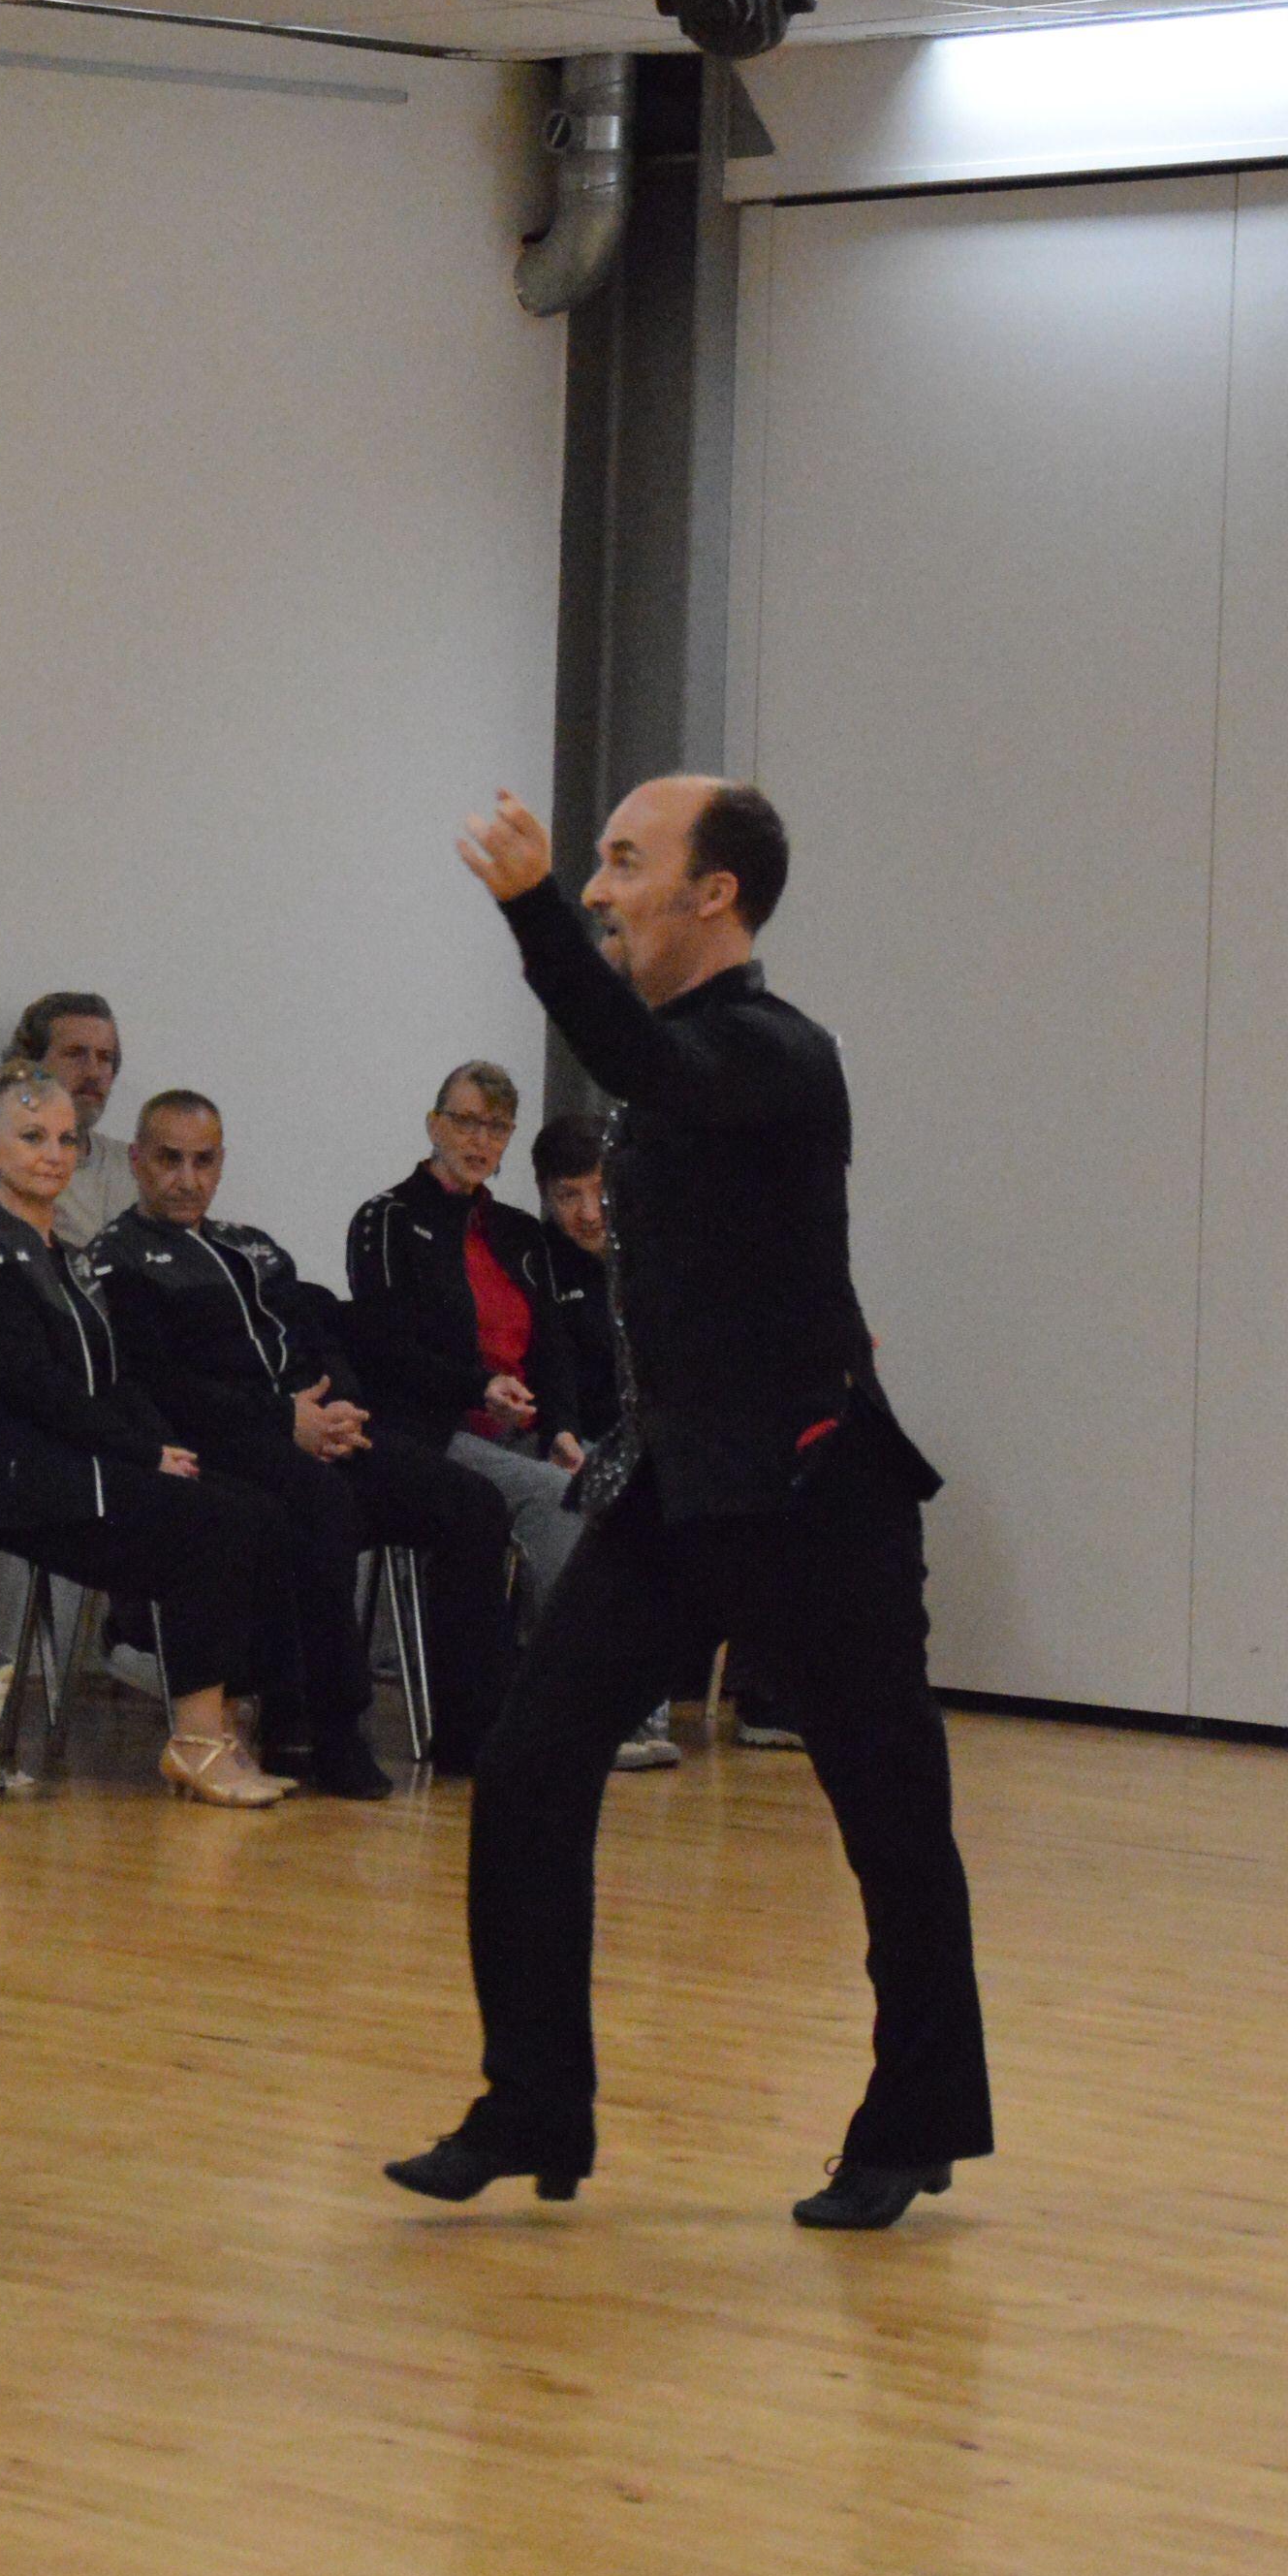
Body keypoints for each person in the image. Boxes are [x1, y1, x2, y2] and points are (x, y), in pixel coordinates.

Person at [385, 782, 994, 2234]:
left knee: (889, 1817)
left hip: (816, 1492)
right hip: (679, 1493)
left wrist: (528, 905)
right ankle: (533, 2101)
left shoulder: (776, 1052)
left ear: (713, 894)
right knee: (530, 1771)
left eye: (623, 862)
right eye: (590, 867)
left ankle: (916, 2121)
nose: (599, 888)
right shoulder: (679, 1065)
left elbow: (638, 1056)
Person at [91, 1091, 518, 1788]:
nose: (187, 1179)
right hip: (219, 1441)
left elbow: (322, 1337)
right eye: (169, 1160)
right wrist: (282, 1420)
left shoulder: (254, 1246)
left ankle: (474, 1732)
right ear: (137, 1160)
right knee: (321, 1505)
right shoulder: (117, 1259)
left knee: (473, 1503)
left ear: (222, 1164)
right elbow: (159, 1385)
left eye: (203, 1161)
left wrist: (341, 1409)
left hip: (319, 1426)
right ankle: (325, 1730)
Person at [0, 1071, 309, 1808]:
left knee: (255, 1510)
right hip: (9, 1470)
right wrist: (140, 1454)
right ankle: (194, 1741)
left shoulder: (71, 1255)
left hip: (79, 1459)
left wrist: (164, 1448)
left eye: (66, 1139)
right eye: (32, 1137)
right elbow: (34, 1387)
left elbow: (116, 1379)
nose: (53, 1153)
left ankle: (229, 1723)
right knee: (211, 1523)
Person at [346, 1061, 583, 1622]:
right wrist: (479, 1387)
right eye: (467, 1122)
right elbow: (385, 1349)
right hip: (432, 1430)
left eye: (497, 1128)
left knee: (622, 1484)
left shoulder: (519, 1232)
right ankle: (567, 1668)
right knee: (557, 1495)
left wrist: (562, 1428)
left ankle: (639, 1671)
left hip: (519, 1429)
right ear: (434, 1125)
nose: (481, 1141)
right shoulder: (388, 1219)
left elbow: (552, 1348)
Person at [534, 1110, 676, 1773]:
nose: (589, 1213)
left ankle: (770, 1699)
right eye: (569, 1196)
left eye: (601, 1191)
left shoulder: (658, 1252)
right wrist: (562, 1432)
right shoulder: (542, 1265)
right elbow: (553, 1366)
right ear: (546, 1195)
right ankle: (624, 1709)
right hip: (582, 1438)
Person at [0, 993, 131, 1254]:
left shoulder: (136, 1166)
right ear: (30, 1066)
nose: (93, 1072)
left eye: (105, 1057)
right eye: (75, 1054)